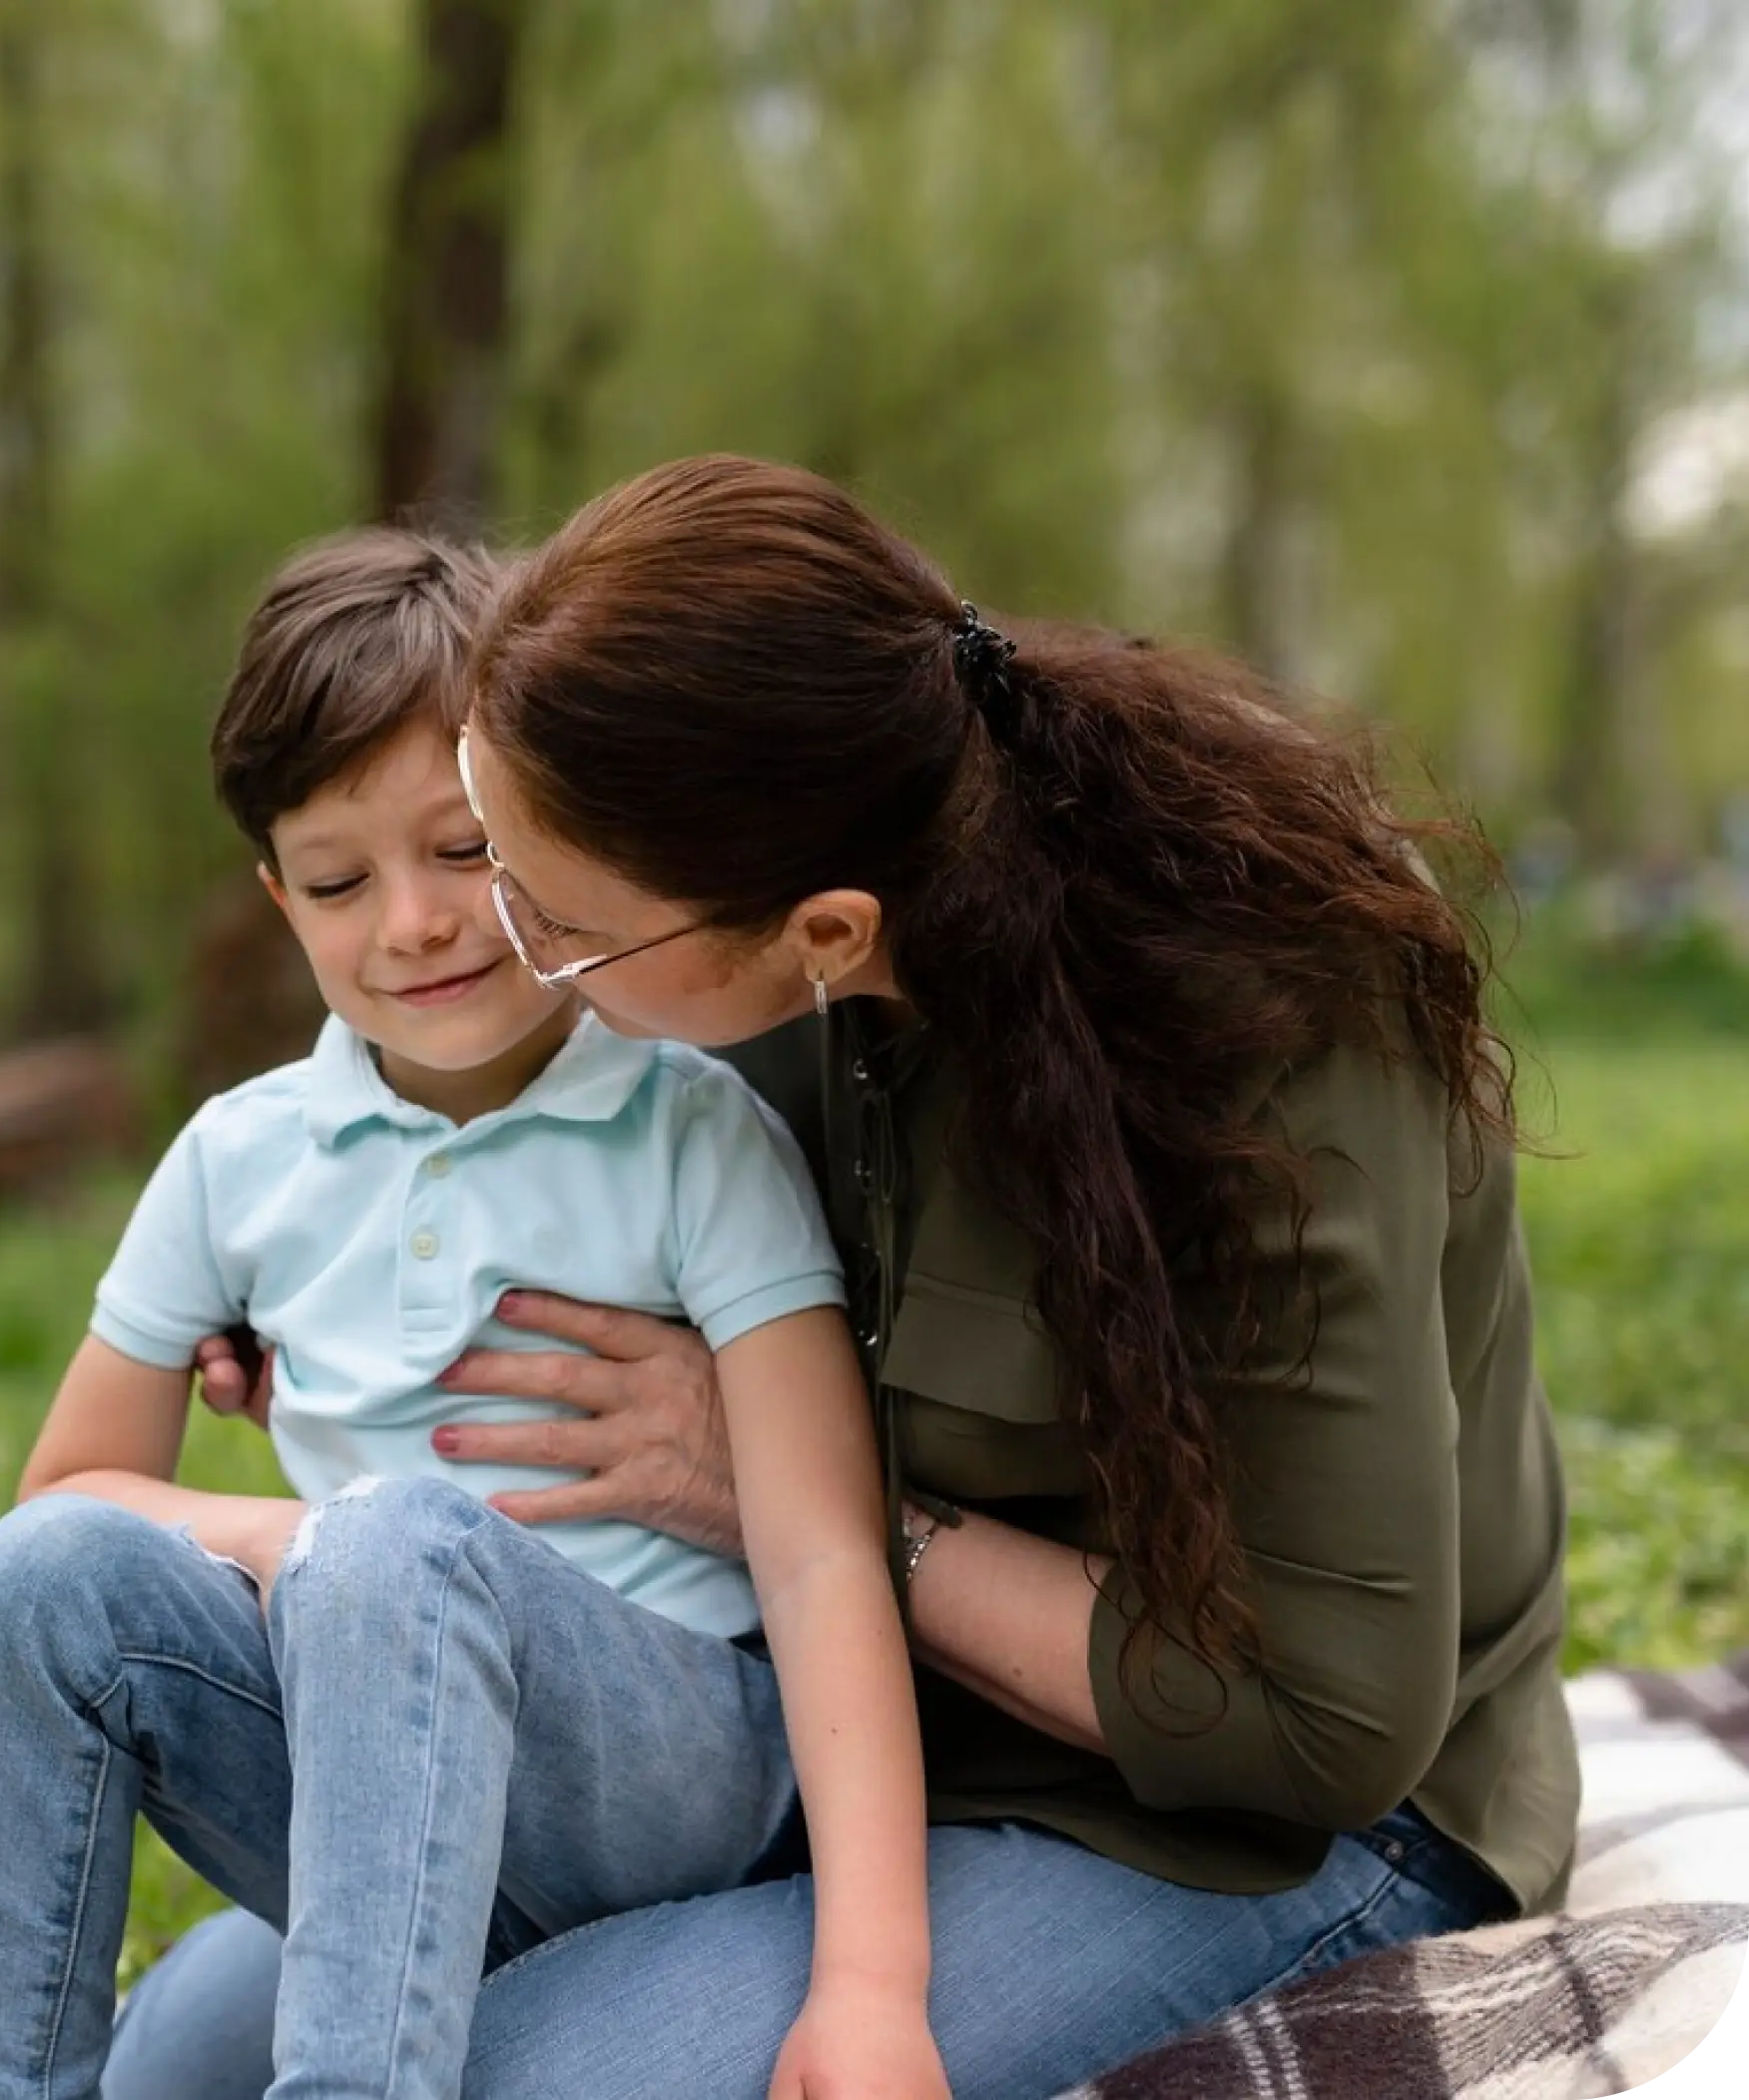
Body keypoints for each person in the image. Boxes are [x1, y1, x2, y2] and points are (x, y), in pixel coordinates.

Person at [116, 453, 1577, 2100]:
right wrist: (330, 1287)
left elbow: (1318, 1719)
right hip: (828, 1754)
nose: (496, 947)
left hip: (1269, 1830)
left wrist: (780, 1497)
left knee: (513, 2081)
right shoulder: (750, 906)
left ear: (821, 935)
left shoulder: (1273, 1052)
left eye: (560, 925)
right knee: (170, 2071)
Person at [0, 525, 947, 2100]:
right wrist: (315, 1539)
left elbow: (819, 1554)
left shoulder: (690, 1128)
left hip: (665, 1771)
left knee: (394, 1545)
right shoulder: (239, 1160)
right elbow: (72, 1498)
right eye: (340, 879)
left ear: (554, 828)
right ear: (281, 900)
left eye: (466, 851)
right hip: (365, 1749)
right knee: (32, 1581)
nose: (414, 922)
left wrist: (873, 1985)